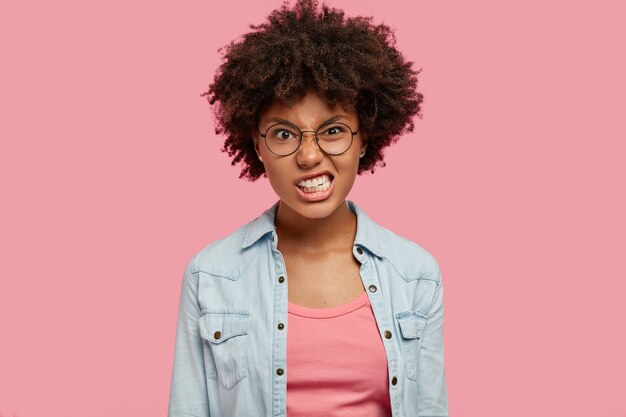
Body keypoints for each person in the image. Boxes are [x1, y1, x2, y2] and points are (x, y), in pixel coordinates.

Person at [167, 0, 449, 416]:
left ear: (364, 139)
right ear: (258, 145)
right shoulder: (210, 274)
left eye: (333, 130)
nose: (310, 156)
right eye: (284, 134)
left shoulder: (414, 274)